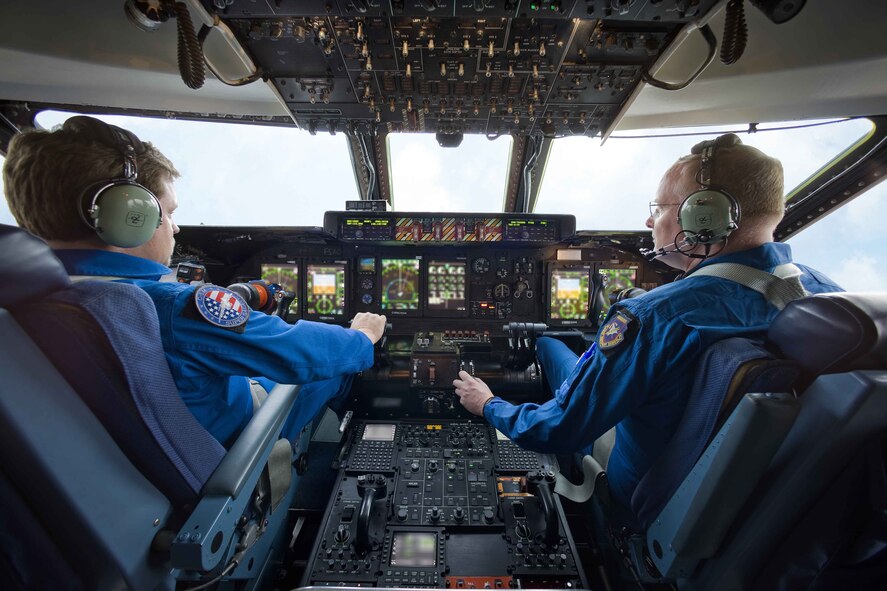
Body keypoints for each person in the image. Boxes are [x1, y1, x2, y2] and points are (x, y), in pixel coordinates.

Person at [453, 133, 843, 516]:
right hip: (766, 497)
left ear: (703, 216)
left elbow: (558, 429)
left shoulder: (653, 318)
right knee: (554, 347)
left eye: (659, 208)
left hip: (645, 487)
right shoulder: (830, 301)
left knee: (549, 345)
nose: (649, 220)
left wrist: (487, 403)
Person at [2, 116, 386, 447]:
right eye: (168, 213)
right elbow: (298, 351)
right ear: (129, 215)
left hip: (134, 454)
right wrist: (362, 336)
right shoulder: (166, 306)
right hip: (232, 449)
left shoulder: (28, 303)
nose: (175, 228)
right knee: (337, 366)